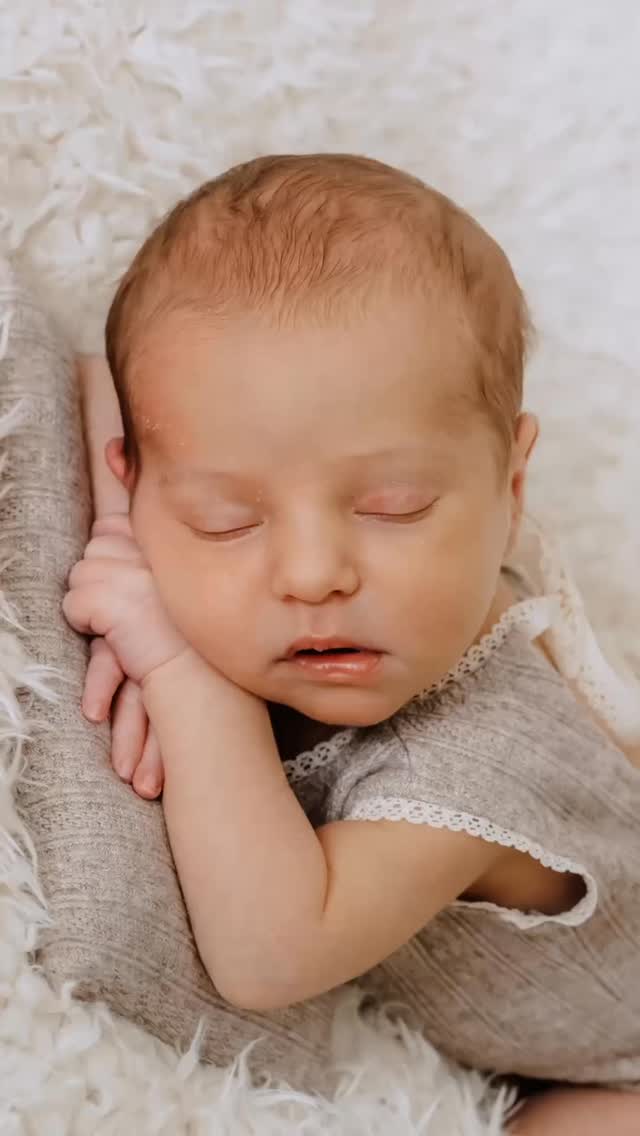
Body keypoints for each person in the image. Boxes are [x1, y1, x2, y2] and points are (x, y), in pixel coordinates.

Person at [65, 153, 640, 1135]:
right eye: (224, 518)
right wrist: (129, 527)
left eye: (394, 506)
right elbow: (93, 380)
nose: (312, 572)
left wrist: (183, 669)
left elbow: (271, 955)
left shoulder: (477, 762)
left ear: (509, 491)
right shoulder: (348, 596)